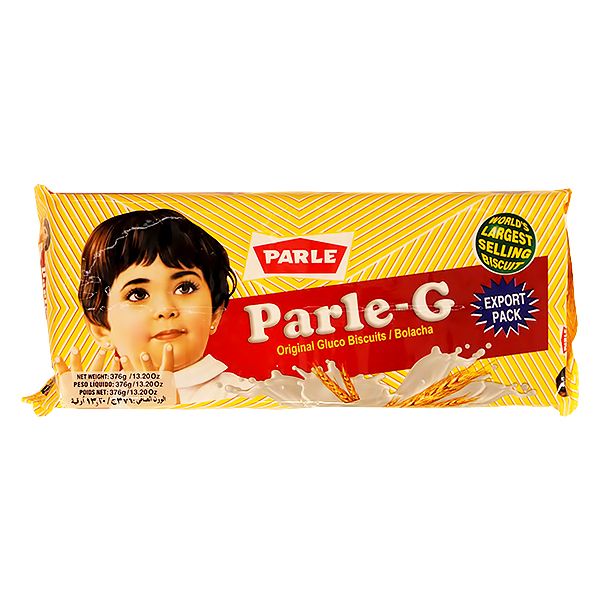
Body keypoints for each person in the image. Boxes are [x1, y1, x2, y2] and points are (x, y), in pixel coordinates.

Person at [54, 208, 254, 404]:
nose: (165, 309)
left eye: (184, 288)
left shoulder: (241, 395)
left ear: (215, 314)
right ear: (102, 329)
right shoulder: (98, 401)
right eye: (138, 295)